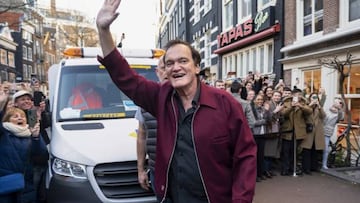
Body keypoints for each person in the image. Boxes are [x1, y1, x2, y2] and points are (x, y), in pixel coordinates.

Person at [96, 1, 257, 202]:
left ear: (197, 67)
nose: (175, 67)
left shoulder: (225, 103)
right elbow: (126, 78)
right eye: (169, 63)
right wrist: (103, 30)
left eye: (183, 61)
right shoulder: (161, 98)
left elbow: (245, 157)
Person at [0, 107, 48, 203]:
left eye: (22, 116)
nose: (20, 118)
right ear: (7, 119)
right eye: (15, 116)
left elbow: (41, 153)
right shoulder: (3, 134)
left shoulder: (31, 133)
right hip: (6, 185)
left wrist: (35, 137)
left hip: (26, 185)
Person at [135, 56, 167, 196]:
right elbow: (141, 137)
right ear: (157, 72)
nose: (167, 72)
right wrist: (141, 170)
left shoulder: (187, 99)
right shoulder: (145, 101)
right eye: (163, 68)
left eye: (170, 66)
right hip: (157, 170)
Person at [12, 90, 50, 203]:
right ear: (15, 103)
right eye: (23, 99)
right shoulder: (15, 116)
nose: (27, 101)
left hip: (43, 159)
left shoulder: (32, 113)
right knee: (31, 193)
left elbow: (45, 126)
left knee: (42, 194)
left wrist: (41, 113)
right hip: (31, 163)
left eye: (28, 99)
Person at [279, 88, 312, 176]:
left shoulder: (303, 103)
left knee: (295, 151)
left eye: (300, 95)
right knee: (286, 151)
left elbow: (309, 111)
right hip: (288, 130)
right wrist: (291, 107)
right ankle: (285, 169)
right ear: (293, 95)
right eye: (297, 95)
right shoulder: (286, 103)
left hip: (298, 131)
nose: (299, 97)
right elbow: (283, 113)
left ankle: (292, 168)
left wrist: (300, 106)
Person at [300, 93, 326, 174]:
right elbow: (303, 113)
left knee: (315, 150)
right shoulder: (306, 106)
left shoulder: (319, 107)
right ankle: (306, 168)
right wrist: (310, 105)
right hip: (309, 131)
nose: (314, 99)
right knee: (307, 150)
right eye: (313, 97)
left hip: (317, 131)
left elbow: (323, 116)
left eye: (316, 97)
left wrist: (319, 106)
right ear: (310, 98)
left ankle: (314, 167)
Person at [322, 97, 344, 169]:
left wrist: (340, 109)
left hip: (328, 132)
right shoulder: (327, 110)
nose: (337, 103)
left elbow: (341, 118)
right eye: (337, 102)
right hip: (321, 130)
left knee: (326, 149)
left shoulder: (339, 113)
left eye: (339, 102)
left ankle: (324, 164)